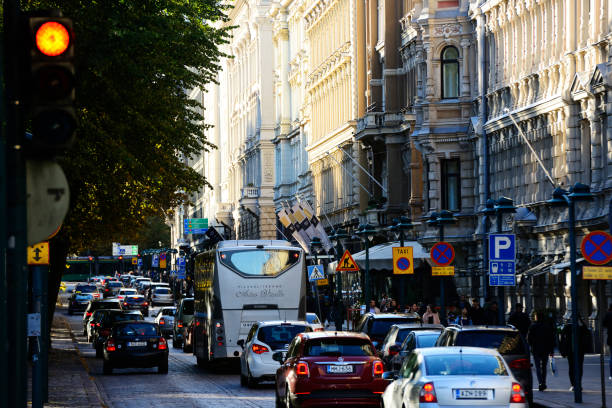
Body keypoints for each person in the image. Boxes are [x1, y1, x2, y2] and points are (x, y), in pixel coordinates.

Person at [559, 317, 592, 391]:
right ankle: (576, 384)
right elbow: (562, 339)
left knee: (573, 367)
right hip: (576, 350)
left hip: (575, 350)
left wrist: (562, 351)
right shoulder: (571, 327)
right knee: (577, 367)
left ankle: (575, 384)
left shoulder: (572, 327)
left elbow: (561, 339)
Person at [527, 311, 555, 391]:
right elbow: (551, 339)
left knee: (538, 367)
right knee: (544, 367)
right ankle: (544, 382)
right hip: (545, 349)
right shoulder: (547, 326)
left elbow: (529, 339)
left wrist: (531, 346)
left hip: (536, 349)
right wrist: (551, 350)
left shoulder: (533, 326)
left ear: (536, 317)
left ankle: (540, 383)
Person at [603, 304, 612, 380]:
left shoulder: (608, 314)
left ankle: (611, 374)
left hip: (611, 338)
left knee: (611, 357)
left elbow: (604, 324)